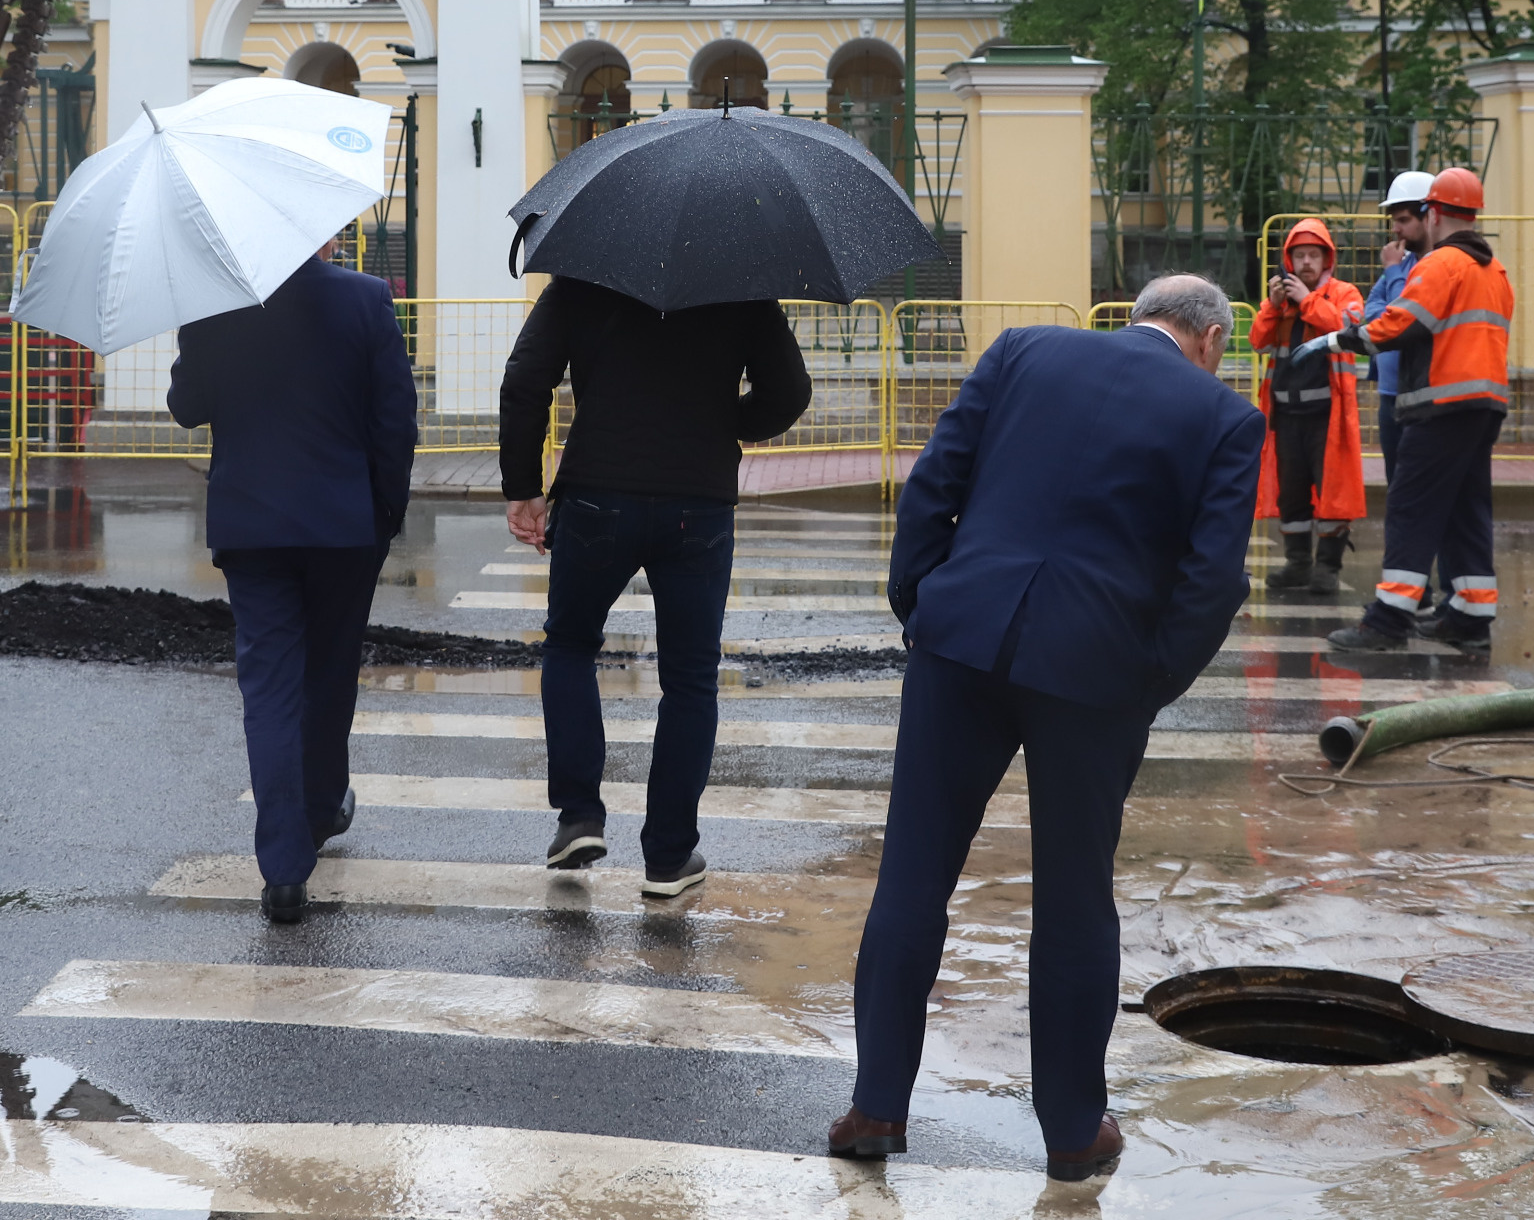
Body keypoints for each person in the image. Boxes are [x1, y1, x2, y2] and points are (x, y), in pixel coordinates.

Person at [828, 274, 1260, 1185]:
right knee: (1072, 898)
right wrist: (1152, 679)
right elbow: (1214, 580)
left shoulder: (1023, 349)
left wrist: (922, 602)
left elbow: (934, 483)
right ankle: (1071, 1131)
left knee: (912, 874)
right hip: (1096, 673)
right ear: (1211, 339)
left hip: (962, 637)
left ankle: (874, 1107)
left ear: (1139, 315)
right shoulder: (1225, 417)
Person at [499, 277, 810, 897]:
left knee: (570, 645)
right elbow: (790, 392)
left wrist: (523, 486)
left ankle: (580, 815)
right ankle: (669, 857)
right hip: (699, 501)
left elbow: (525, 379)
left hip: (596, 496)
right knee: (691, 679)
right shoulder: (741, 285)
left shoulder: (584, 276)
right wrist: (728, 420)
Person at [169, 240, 418, 925]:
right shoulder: (365, 298)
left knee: (270, 689)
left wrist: (193, 338)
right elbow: (394, 418)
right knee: (331, 674)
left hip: (252, 526)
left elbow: (186, 406)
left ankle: (284, 870)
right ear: (325, 235)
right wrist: (385, 512)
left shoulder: (215, 303)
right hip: (344, 526)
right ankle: (321, 808)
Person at [1317, 166, 1511, 657]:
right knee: (1466, 509)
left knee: (1411, 507)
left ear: (1434, 211)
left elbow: (1405, 323)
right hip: (1483, 405)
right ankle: (1470, 614)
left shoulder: (1440, 264)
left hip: (1440, 405)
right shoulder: (1494, 270)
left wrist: (1347, 337)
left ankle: (1388, 620)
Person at [1250, 217, 1369, 594]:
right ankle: (1298, 563)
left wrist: (1305, 299)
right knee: (1292, 493)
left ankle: (1327, 568)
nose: (1305, 263)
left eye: (1313, 255)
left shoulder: (1345, 293)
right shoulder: (1280, 302)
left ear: (1326, 259)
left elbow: (1344, 329)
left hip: (1327, 416)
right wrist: (1273, 305)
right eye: (1299, 255)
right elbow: (1258, 340)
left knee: (1333, 492)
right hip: (1286, 416)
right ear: (1288, 260)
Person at [1365, 172, 1436, 492]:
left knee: (1419, 489)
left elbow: (1404, 320)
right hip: (1390, 394)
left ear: (1429, 216)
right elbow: (1373, 311)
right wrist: (1394, 282)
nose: (1396, 228)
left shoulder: (1434, 265)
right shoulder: (1403, 266)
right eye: (1394, 220)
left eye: (1404, 219)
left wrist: (1393, 271)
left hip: (1423, 396)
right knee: (1397, 486)